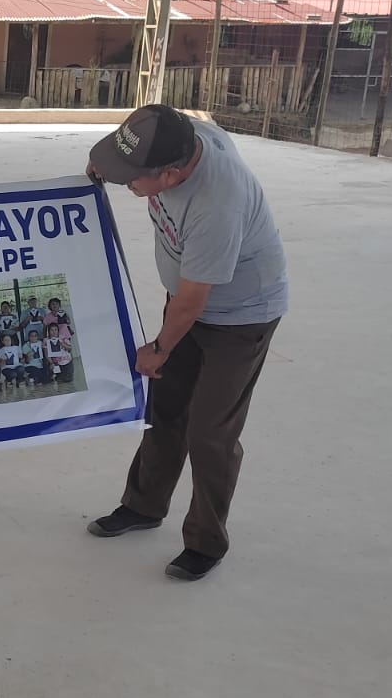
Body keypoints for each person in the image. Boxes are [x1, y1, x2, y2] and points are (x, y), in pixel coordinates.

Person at [84, 103, 288, 582]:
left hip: (241, 317)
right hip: (185, 302)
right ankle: (143, 505)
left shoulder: (218, 203)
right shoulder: (179, 134)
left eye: (131, 176)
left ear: (171, 175)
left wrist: (158, 349)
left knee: (210, 433)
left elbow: (194, 301)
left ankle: (205, 541)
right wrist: (105, 162)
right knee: (164, 411)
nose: (125, 182)